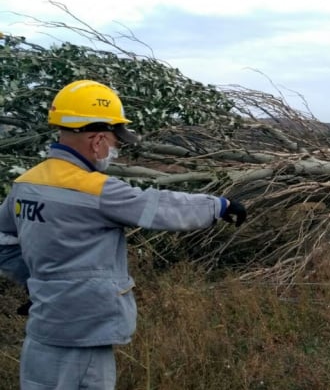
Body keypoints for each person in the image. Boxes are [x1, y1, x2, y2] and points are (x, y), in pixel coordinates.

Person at [0, 79, 247, 389]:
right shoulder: (95, 190)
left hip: (44, 329)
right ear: (97, 140)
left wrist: (43, 287)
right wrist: (218, 205)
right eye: (115, 143)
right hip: (84, 333)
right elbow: (157, 206)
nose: (115, 150)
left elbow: (4, 242)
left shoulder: (25, 184)